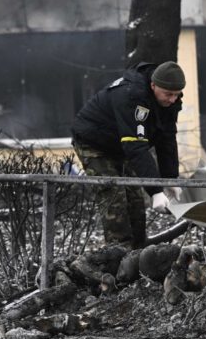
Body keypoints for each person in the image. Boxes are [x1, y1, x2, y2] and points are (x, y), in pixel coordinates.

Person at [71, 61, 186, 249]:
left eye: (177, 94)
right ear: (153, 85)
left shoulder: (169, 102)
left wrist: (171, 178)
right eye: (168, 94)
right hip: (93, 142)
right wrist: (156, 191)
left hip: (120, 145)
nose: (173, 99)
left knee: (134, 198)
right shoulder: (132, 97)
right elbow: (136, 147)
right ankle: (118, 254)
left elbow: (167, 139)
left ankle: (139, 251)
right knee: (114, 196)